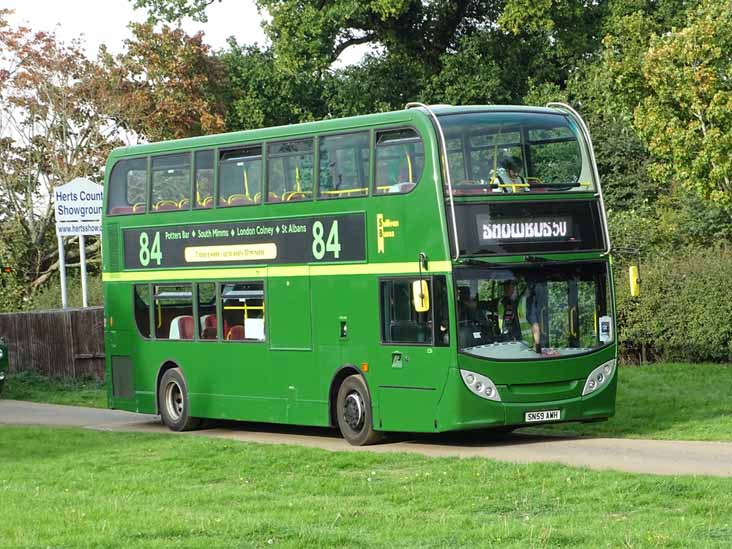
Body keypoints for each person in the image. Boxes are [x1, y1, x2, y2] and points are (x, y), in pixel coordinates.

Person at [526, 281, 547, 353]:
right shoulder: (544, 289)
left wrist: (537, 347)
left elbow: (535, 324)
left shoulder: (531, 299)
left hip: (540, 345)